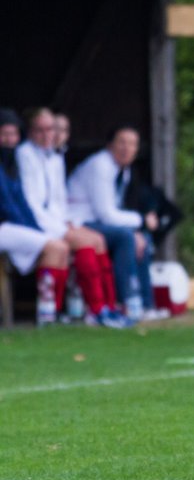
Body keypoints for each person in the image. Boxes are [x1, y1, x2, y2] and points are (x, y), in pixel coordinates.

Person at [15, 108, 130, 328]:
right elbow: (32, 202)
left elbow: (59, 199)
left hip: (56, 219)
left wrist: (67, 222)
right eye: (41, 130)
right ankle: (94, 308)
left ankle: (108, 306)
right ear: (30, 131)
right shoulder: (25, 154)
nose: (48, 135)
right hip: (38, 223)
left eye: (51, 129)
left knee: (98, 240)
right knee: (85, 243)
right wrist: (59, 228)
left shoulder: (55, 158)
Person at [66, 125, 165, 320]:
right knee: (125, 237)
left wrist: (140, 227)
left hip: (97, 222)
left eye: (132, 144)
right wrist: (141, 221)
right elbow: (106, 215)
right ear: (110, 145)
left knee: (142, 239)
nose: (126, 148)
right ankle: (126, 301)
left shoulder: (124, 171)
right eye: (122, 142)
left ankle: (146, 304)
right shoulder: (101, 165)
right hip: (80, 222)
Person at [1, 108, 69, 326]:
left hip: (13, 227)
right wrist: (34, 231)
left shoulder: (11, 165)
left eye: (13, 134)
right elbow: (7, 206)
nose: (10, 140)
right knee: (55, 247)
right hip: (4, 227)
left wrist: (35, 229)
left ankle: (54, 309)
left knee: (60, 246)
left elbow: (22, 203)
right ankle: (46, 312)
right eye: (4, 134)